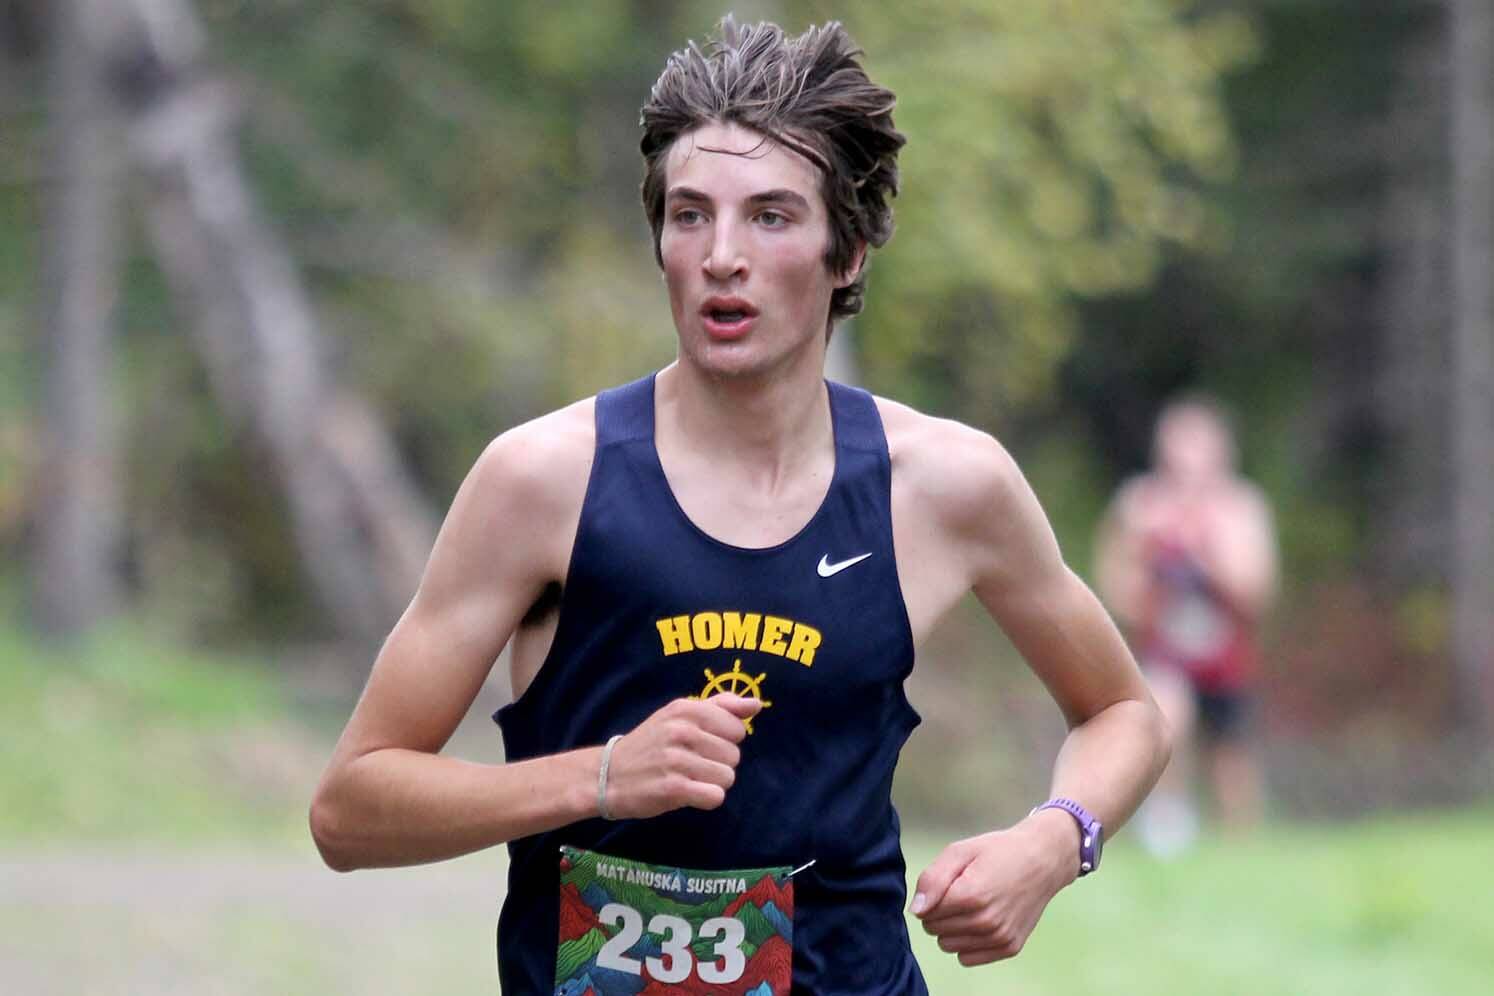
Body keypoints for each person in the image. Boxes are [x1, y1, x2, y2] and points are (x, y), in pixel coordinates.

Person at [311, 17, 1169, 994]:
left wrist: (1055, 843)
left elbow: (1123, 712)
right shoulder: (543, 481)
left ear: (845, 254)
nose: (723, 254)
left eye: (770, 216)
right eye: (689, 215)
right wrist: (597, 779)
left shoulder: (946, 485)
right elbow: (349, 811)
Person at [1095, 396, 1278, 855]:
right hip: (1166, 648)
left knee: (1232, 759)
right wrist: (1147, 581)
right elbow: (1112, 582)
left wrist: (1206, 549)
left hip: (1225, 653)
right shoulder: (1140, 504)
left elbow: (1257, 591)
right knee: (1166, 719)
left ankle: (1242, 853)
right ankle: (1168, 828)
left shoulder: (1241, 508)